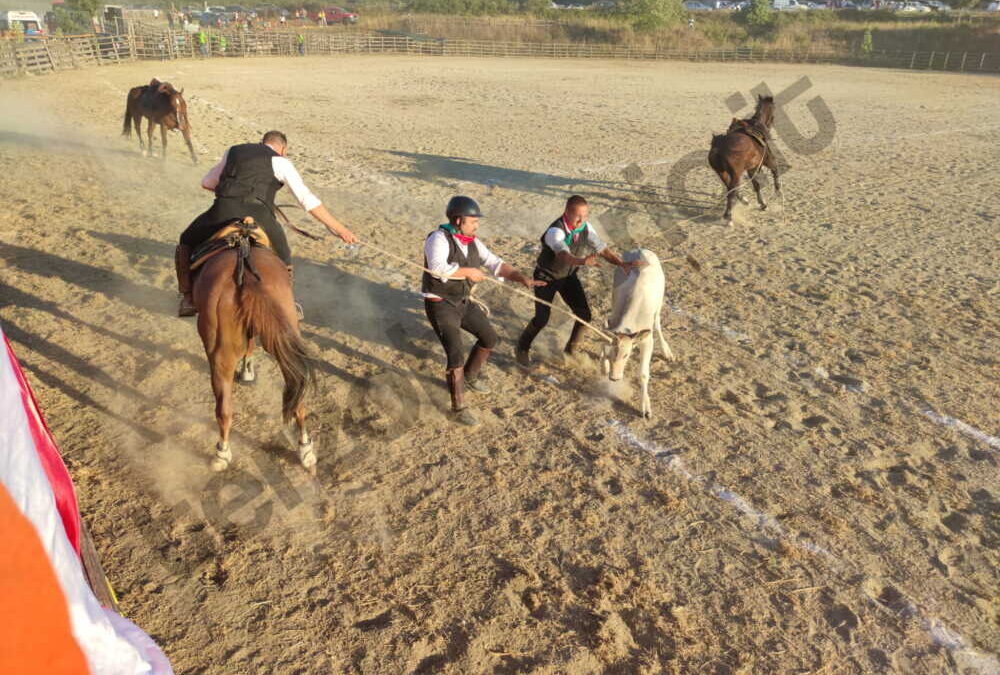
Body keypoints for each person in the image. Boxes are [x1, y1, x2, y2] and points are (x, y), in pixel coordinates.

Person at [174, 130, 359, 316]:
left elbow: (207, 183)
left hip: (224, 209)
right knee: (284, 255)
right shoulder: (282, 162)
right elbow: (307, 200)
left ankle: (188, 297)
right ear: (283, 149)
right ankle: (288, 302)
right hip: (260, 215)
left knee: (186, 238)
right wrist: (340, 229)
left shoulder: (234, 150)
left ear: (261, 142)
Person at [423, 196, 543, 426]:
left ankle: (469, 377)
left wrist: (521, 278)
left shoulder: (472, 242)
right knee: (455, 353)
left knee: (489, 337)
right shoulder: (438, 238)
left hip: (462, 301)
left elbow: (495, 263)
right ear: (458, 220)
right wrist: (468, 272)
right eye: (473, 221)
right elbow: (438, 270)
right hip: (440, 304)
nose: (476, 226)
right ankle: (458, 408)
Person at [516, 195, 637, 369]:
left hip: (568, 277)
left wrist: (620, 263)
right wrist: (582, 262)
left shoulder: (586, 227)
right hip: (546, 277)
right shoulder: (555, 232)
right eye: (577, 216)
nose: (581, 220)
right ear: (566, 212)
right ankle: (522, 347)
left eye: (585, 215)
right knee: (542, 318)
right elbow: (562, 254)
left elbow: (601, 248)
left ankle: (570, 351)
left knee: (584, 315)